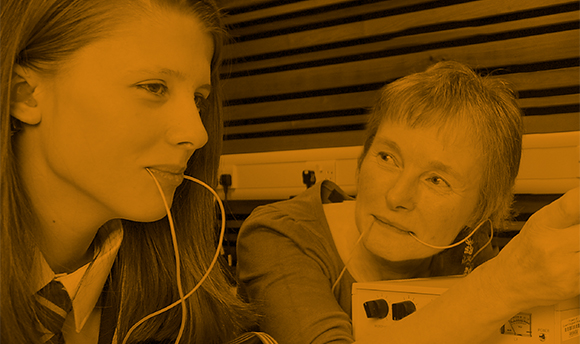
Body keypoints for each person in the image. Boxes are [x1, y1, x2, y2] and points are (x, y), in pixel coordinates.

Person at [236, 61, 579, 343]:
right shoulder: (278, 235)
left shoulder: (468, 246)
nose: (396, 196)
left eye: (436, 180)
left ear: (478, 212)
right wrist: (502, 284)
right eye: (387, 157)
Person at [1, 1, 278, 343]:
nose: (197, 133)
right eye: (154, 87)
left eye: (198, 99)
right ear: (25, 95)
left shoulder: (180, 303)